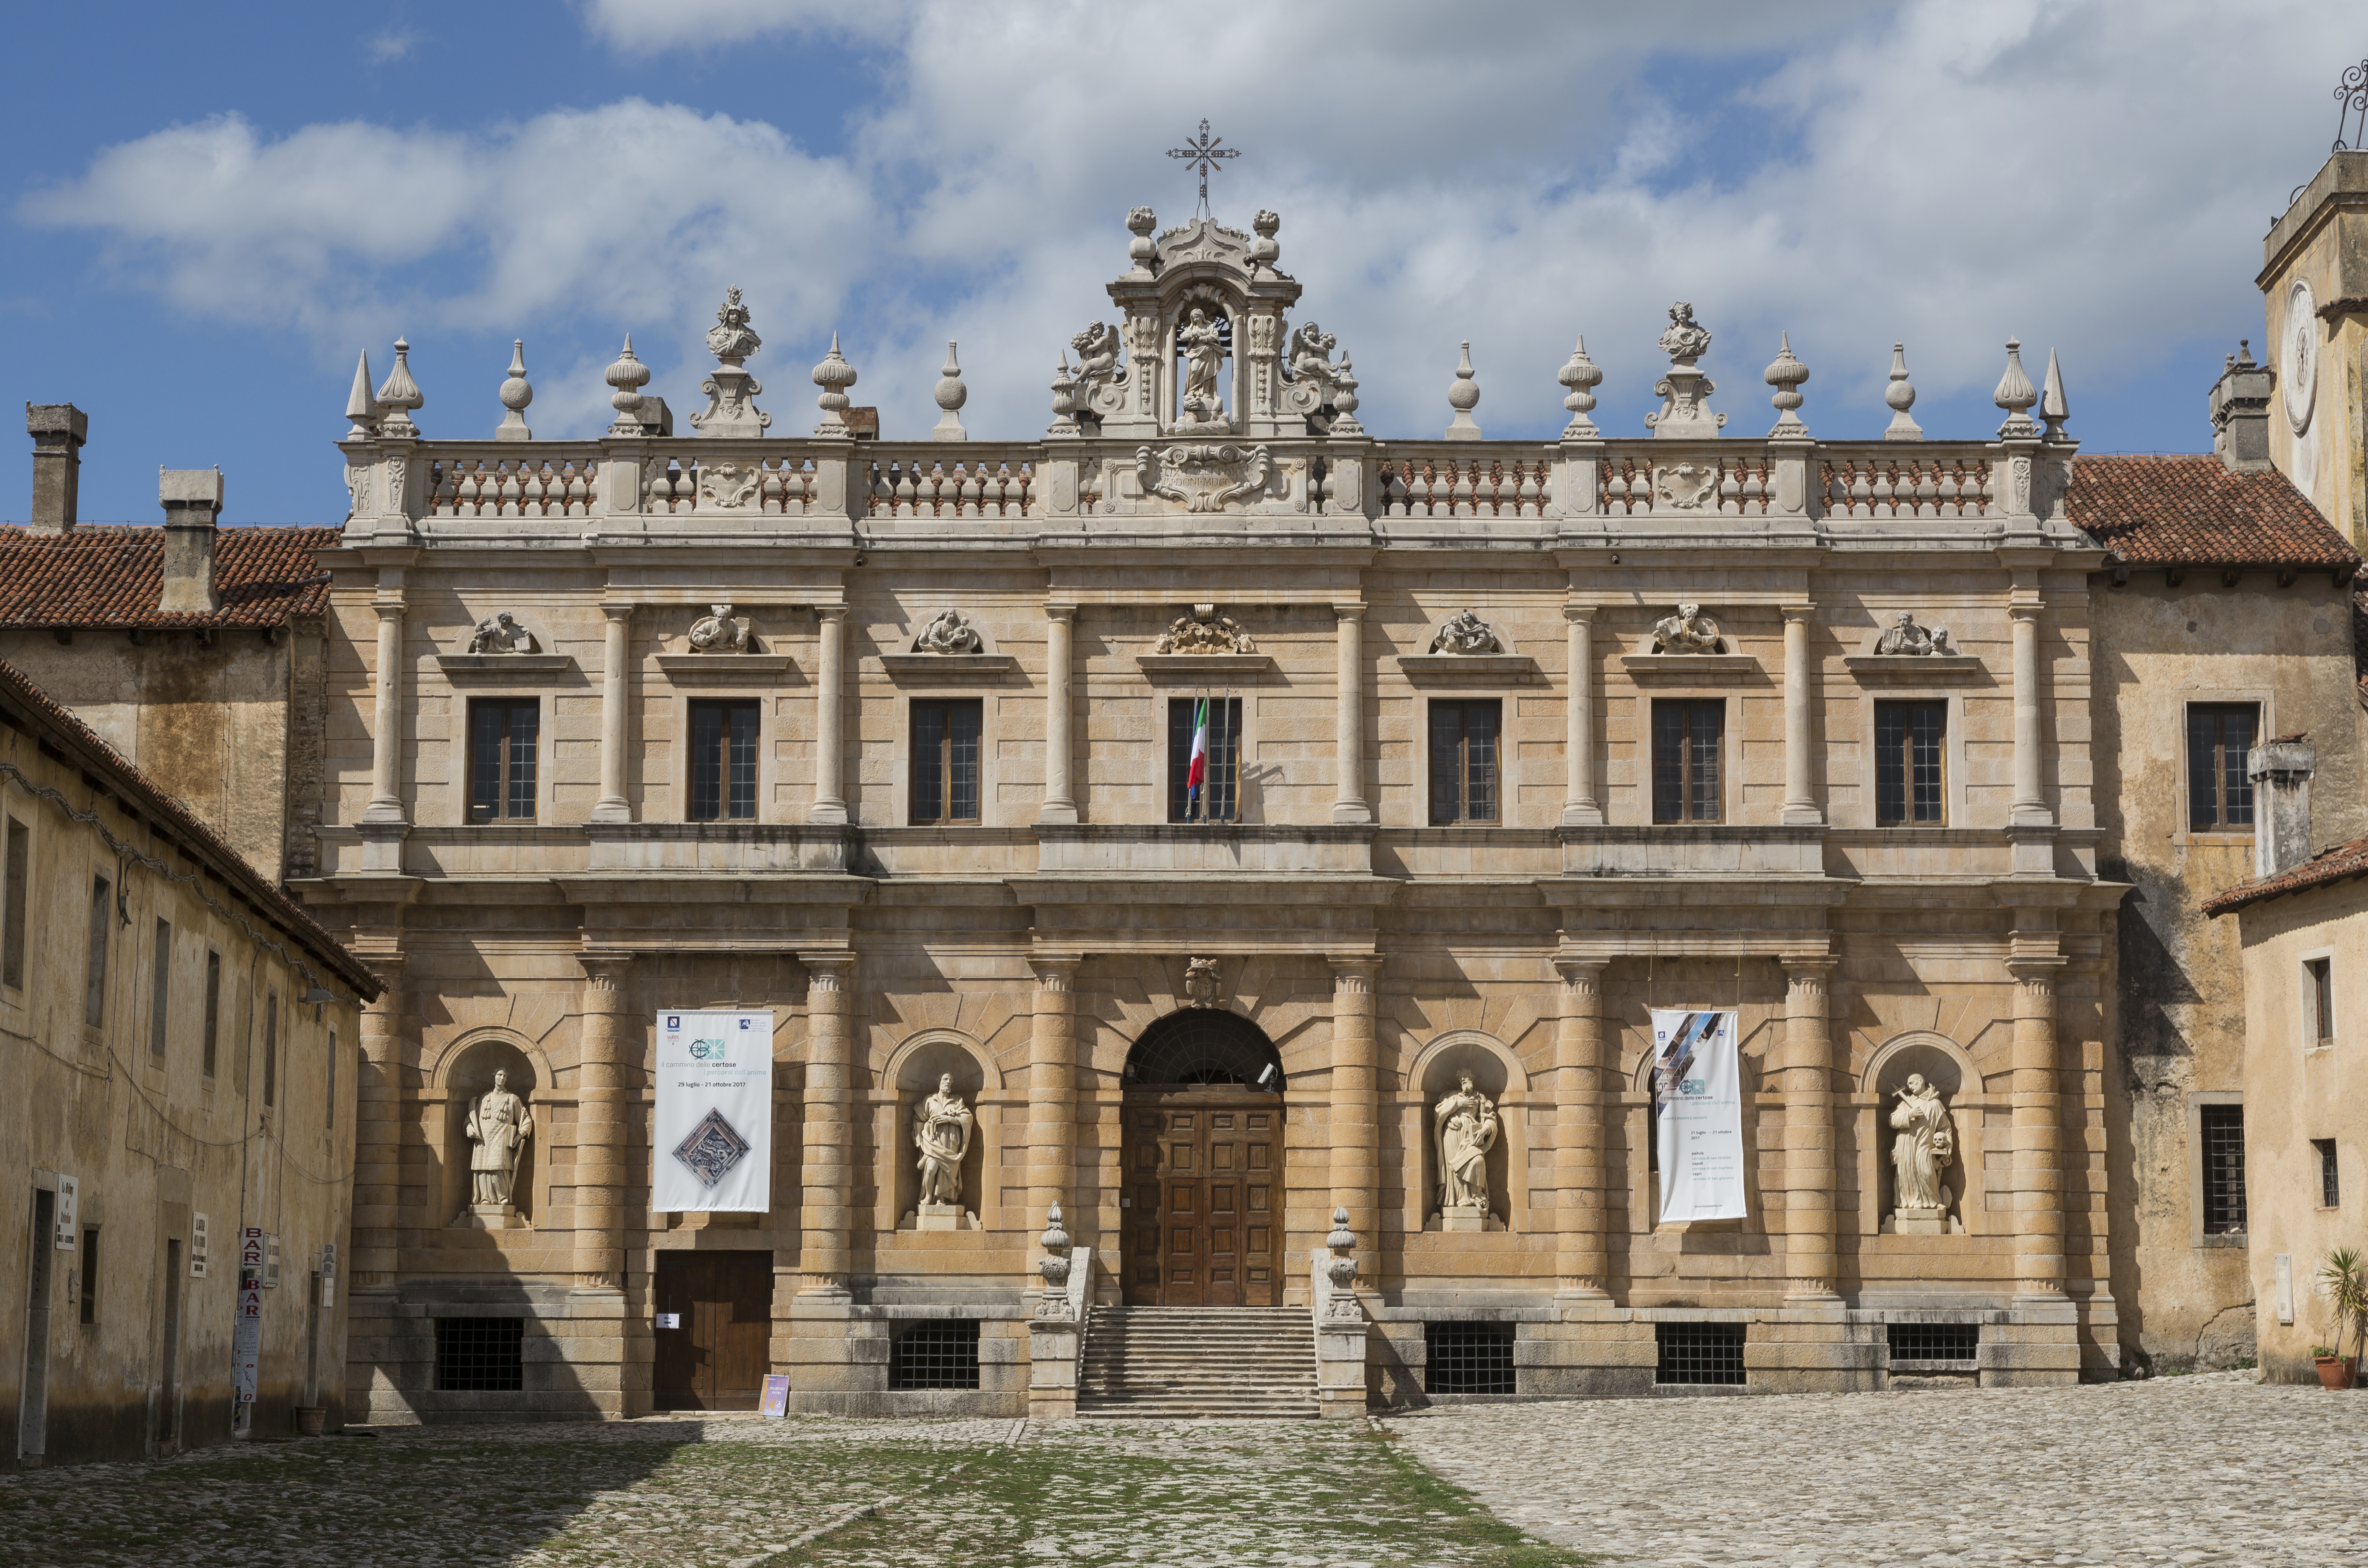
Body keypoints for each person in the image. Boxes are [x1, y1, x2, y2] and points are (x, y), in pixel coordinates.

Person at [465, 1069, 532, 1206]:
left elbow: (526, 1119)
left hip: (501, 1139)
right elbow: (472, 1117)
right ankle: (484, 1197)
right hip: (483, 1140)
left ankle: (502, 1196)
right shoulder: (485, 1098)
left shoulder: (513, 1099)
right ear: (494, 1077)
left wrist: (519, 1136)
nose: (502, 1078)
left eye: (505, 1076)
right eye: (499, 1075)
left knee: (498, 1168)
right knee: (483, 1169)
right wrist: (469, 1126)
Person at [1888, 1073, 1955, 1211]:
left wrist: (1948, 1146)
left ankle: (1933, 1201)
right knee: (1908, 1172)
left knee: (1926, 1171)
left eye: (1912, 1083)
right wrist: (1909, 1115)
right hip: (1906, 1144)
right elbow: (1892, 1120)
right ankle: (1914, 1202)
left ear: (1921, 1081)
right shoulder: (1906, 1103)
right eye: (1908, 1085)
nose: (1909, 1087)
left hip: (1925, 1144)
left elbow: (1945, 1127)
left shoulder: (1935, 1104)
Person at [1433, 1072, 1499, 1213]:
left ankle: (1476, 1194)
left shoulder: (1480, 1098)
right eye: (1461, 1078)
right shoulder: (1453, 1096)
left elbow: (1490, 1118)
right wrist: (1457, 1105)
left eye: (1466, 1076)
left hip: (1472, 1136)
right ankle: (1460, 1201)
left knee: (1478, 1161)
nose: (1463, 1079)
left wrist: (1485, 1130)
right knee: (1455, 1170)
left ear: (1473, 1079)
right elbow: (1438, 1113)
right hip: (1452, 1136)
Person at [913, 1073, 974, 1206]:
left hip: (951, 1141)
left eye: (950, 1081)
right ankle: (929, 1196)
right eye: (946, 1079)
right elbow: (919, 1118)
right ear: (939, 1081)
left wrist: (950, 1119)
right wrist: (920, 1141)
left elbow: (968, 1119)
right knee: (931, 1169)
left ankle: (941, 1198)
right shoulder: (930, 1100)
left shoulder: (957, 1101)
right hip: (934, 1141)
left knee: (946, 1172)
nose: (948, 1083)